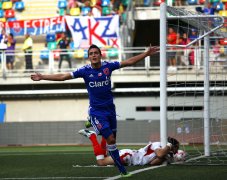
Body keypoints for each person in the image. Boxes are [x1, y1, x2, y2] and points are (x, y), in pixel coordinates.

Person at [31, 44, 159, 177]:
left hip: (110, 110)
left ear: (100, 55)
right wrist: (42, 77)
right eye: (91, 53)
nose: (93, 55)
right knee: (110, 138)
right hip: (96, 111)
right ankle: (122, 170)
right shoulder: (84, 71)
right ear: (88, 57)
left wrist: (146, 54)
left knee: (112, 140)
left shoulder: (108, 67)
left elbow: (129, 62)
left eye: (96, 53)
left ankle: (96, 133)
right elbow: (63, 77)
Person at [78, 129, 180, 166]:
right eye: (177, 148)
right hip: (129, 156)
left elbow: (152, 163)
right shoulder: (159, 145)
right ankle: (92, 137)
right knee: (101, 162)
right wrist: (169, 146)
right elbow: (160, 153)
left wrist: (166, 158)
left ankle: (103, 136)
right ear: (171, 145)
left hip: (130, 158)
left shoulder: (163, 150)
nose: (176, 151)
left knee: (103, 158)